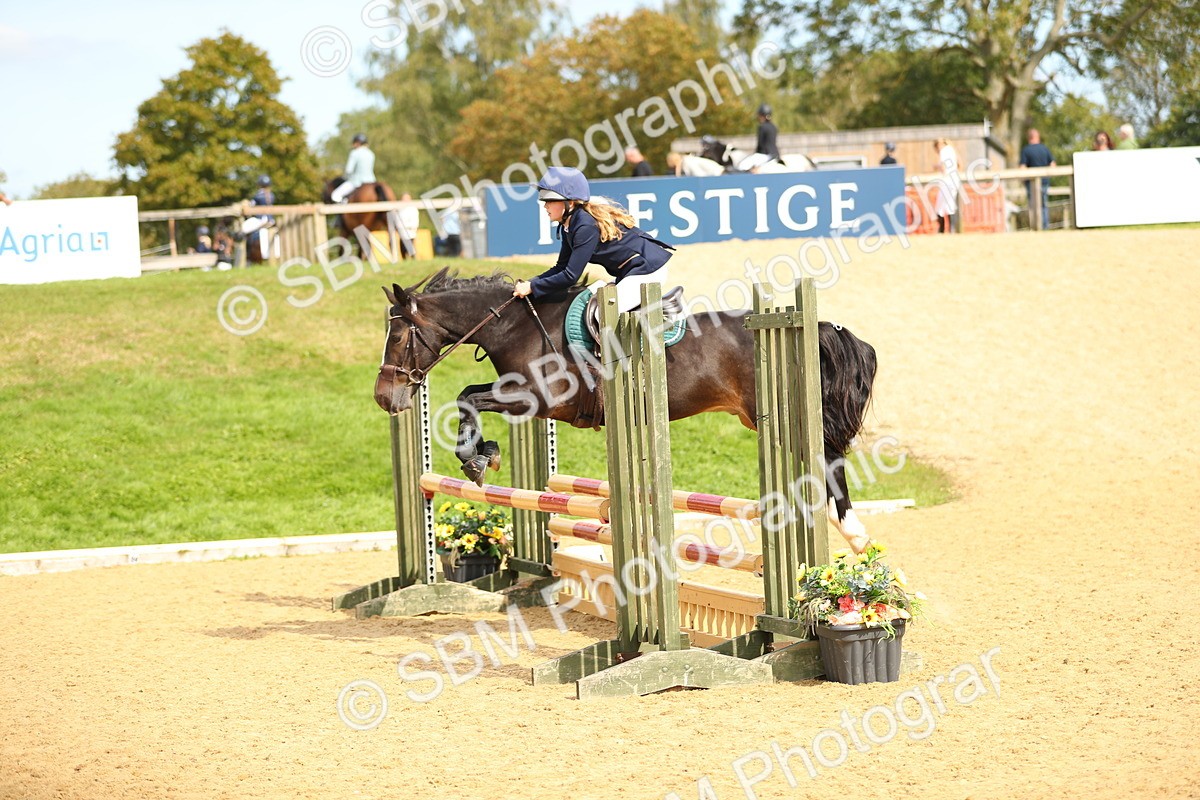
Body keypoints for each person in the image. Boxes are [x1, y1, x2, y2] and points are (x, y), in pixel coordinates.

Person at [512, 167, 673, 313]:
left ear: (571, 202)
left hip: (648, 270)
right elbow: (561, 267)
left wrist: (533, 287)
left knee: (602, 313)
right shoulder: (569, 224)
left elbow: (570, 276)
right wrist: (530, 283)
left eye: (550, 200)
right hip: (630, 272)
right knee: (590, 303)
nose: (545, 205)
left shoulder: (585, 226)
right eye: (544, 200)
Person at [1019, 128, 1056, 229]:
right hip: (1044, 182)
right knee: (1043, 204)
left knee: (1032, 205)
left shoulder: (1026, 150)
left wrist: (1023, 181)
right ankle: (1045, 227)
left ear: (1029, 138)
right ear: (1038, 137)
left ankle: (1035, 227)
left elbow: (1022, 167)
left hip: (1030, 183)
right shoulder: (1045, 149)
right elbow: (1053, 165)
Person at [331, 133, 376, 203]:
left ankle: (344, 209)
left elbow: (349, 170)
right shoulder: (371, 154)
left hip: (356, 182)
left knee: (335, 195)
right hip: (372, 181)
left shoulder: (354, 153)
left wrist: (345, 177)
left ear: (357, 143)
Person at [240, 175, 276, 259]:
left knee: (243, 228)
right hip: (271, 219)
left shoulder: (258, 195)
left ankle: (243, 252)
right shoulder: (272, 195)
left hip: (261, 219)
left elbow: (251, 205)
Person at [932, 138, 959, 233]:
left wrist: (936, 167)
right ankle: (952, 229)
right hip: (954, 180)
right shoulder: (952, 149)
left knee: (940, 206)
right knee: (950, 205)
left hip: (947, 181)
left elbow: (943, 167)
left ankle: (942, 229)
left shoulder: (944, 151)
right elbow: (959, 164)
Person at [399, 192, 420, 259]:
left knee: (410, 248)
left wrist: (413, 227)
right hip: (402, 232)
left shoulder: (413, 209)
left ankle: (413, 259)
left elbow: (415, 220)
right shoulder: (400, 209)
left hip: (410, 231)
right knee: (402, 249)